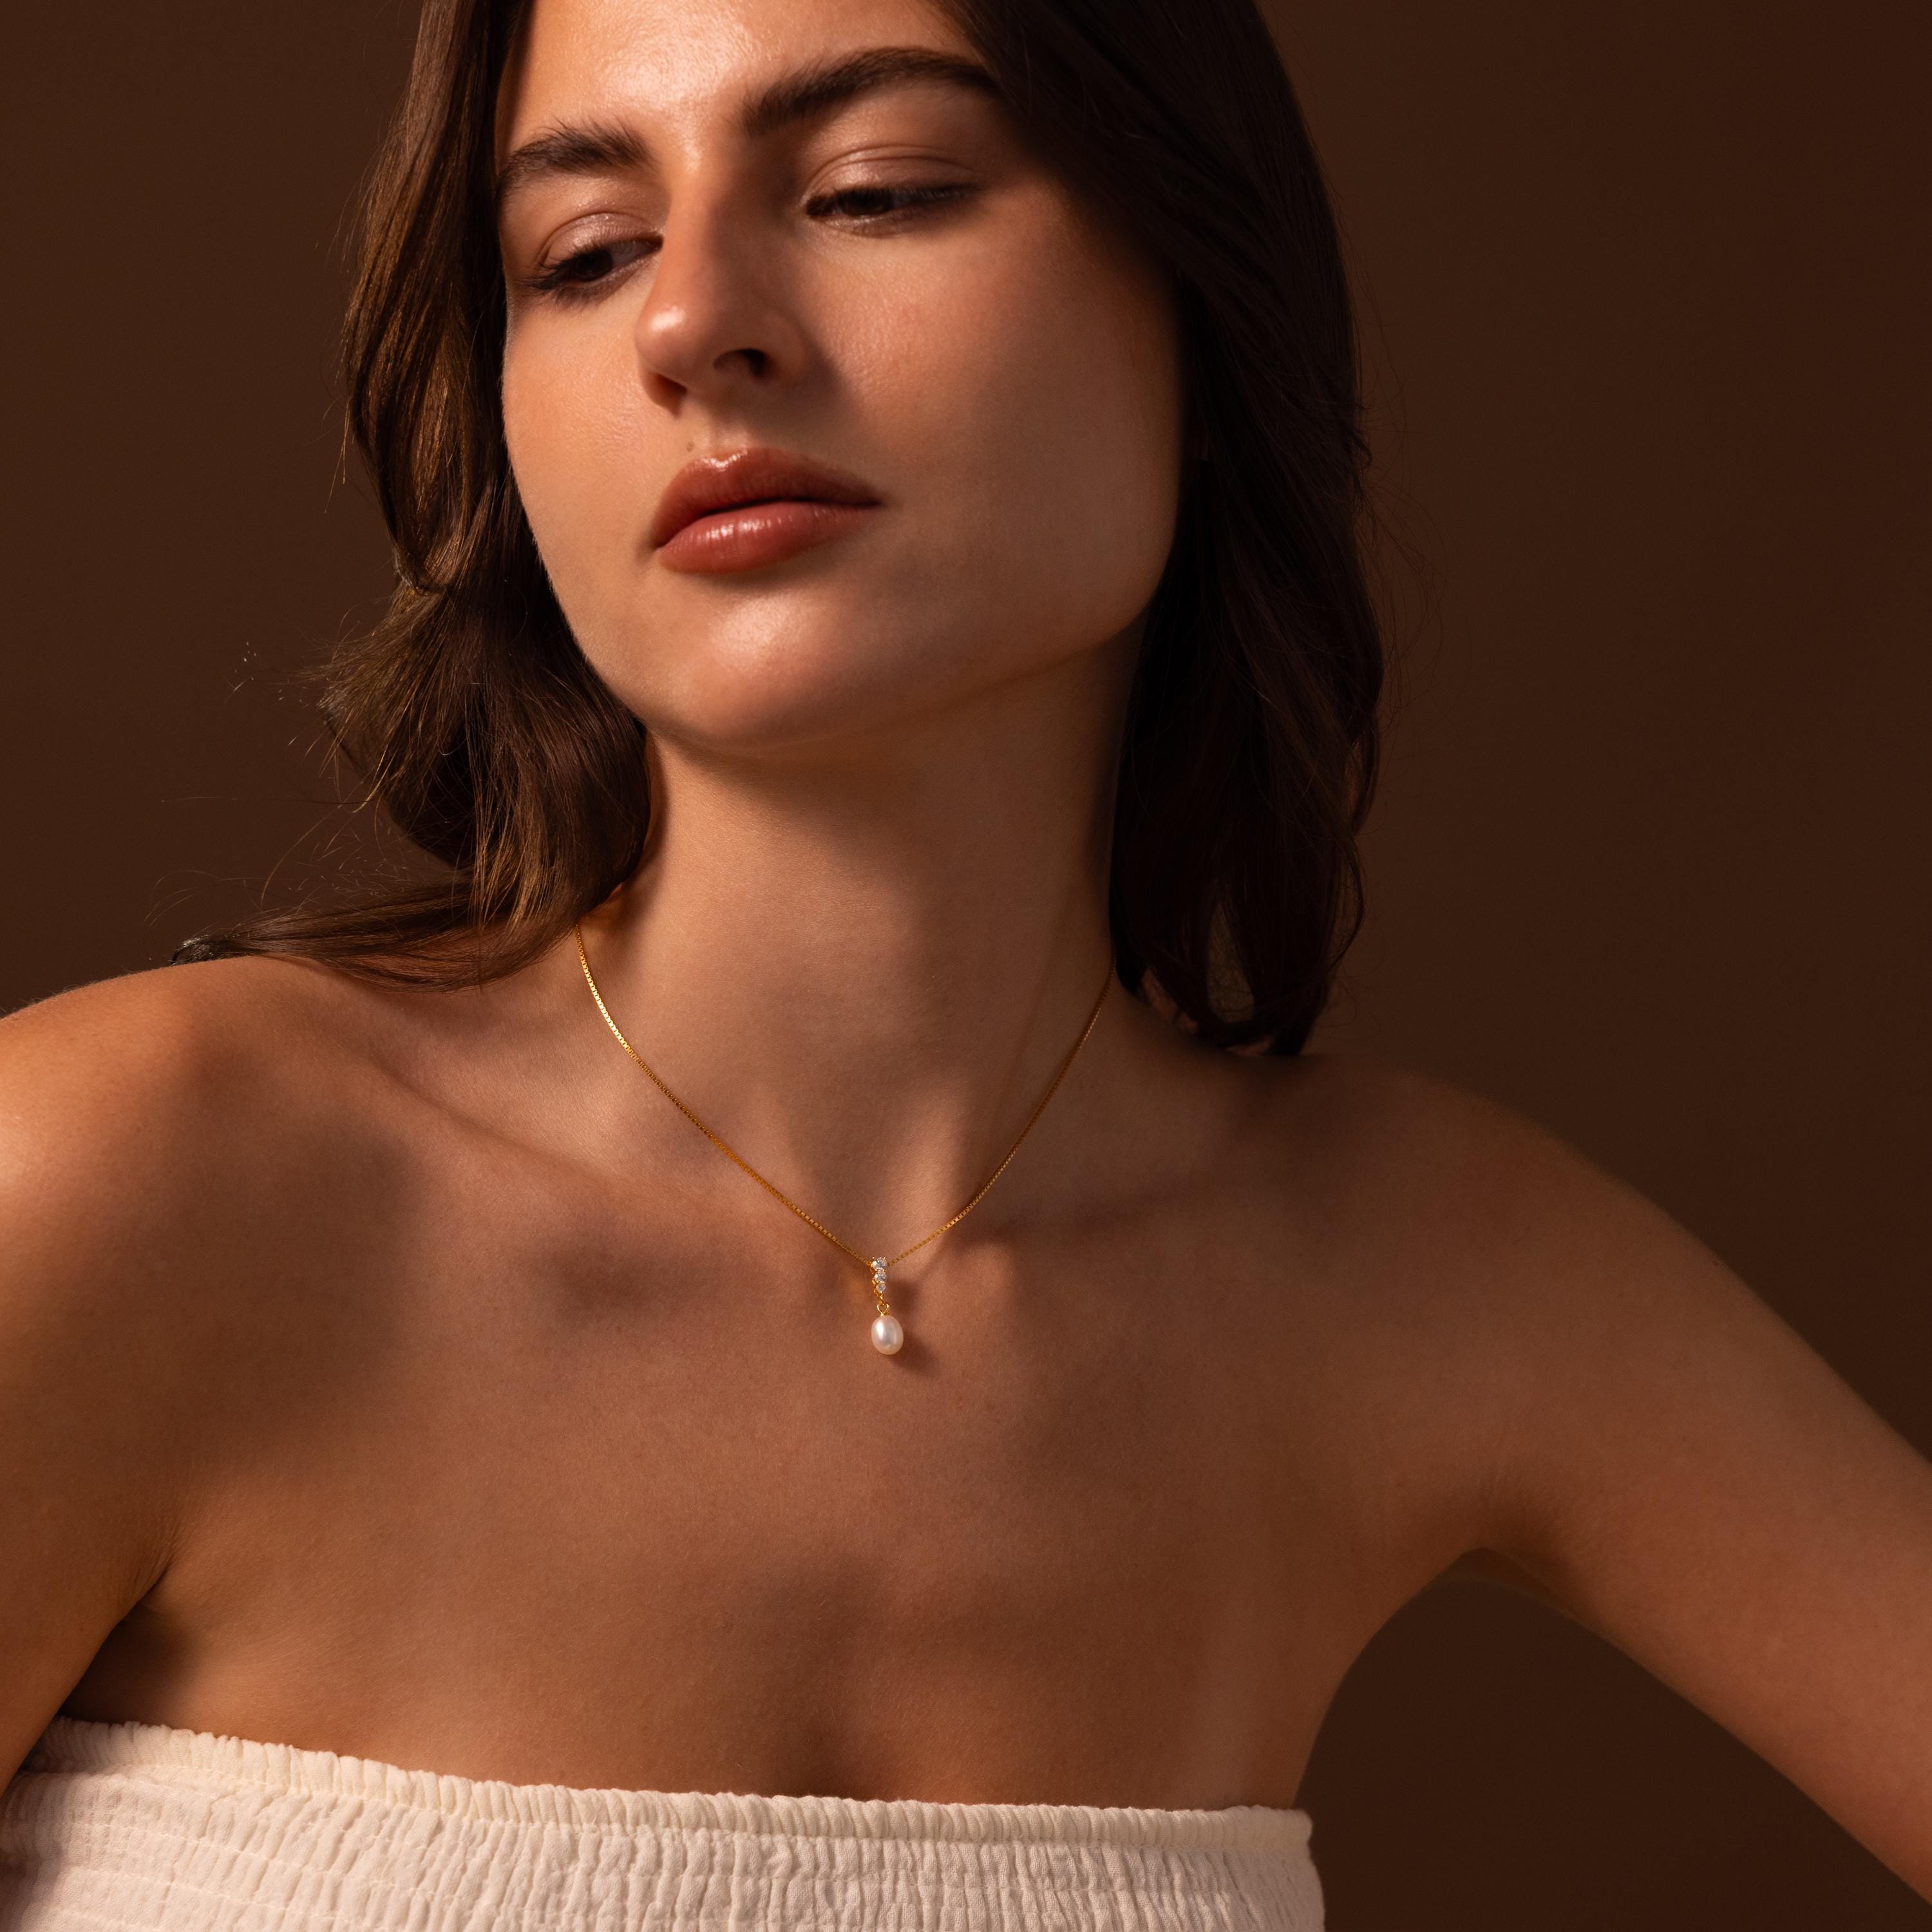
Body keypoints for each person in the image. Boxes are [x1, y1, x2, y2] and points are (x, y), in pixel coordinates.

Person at [1, 0, 1927, 1924]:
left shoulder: (1431, 1279)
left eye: (875, 191)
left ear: (1201, 295)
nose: (690, 327)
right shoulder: (133, 1181)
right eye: (583, 255)